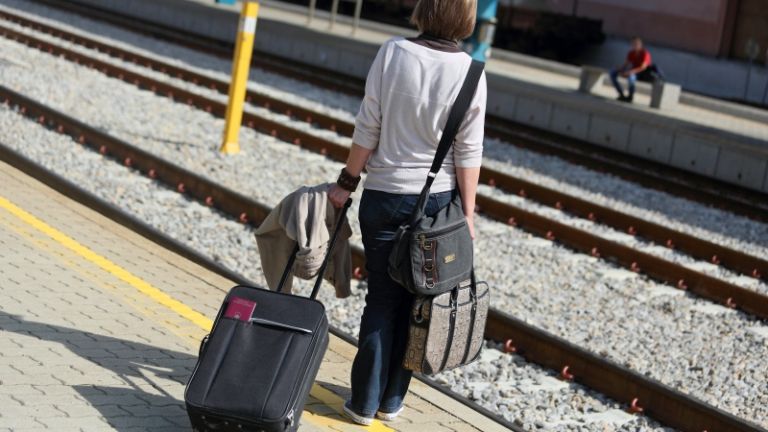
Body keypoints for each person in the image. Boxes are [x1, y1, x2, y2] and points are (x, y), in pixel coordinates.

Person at [327, 0, 487, 425]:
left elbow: (368, 126)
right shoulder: (472, 72)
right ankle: (391, 402)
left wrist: (346, 183)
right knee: (421, 302)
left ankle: (363, 402)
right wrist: (469, 215)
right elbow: (469, 152)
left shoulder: (393, 52)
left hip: (384, 196)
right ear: (467, 17)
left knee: (381, 298)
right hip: (438, 206)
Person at [610, 37, 652, 103]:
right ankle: (621, 94)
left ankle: (630, 97)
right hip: (632, 71)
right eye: (633, 44)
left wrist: (630, 72)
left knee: (631, 78)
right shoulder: (631, 53)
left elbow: (643, 68)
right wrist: (620, 69)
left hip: (642, 74)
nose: (635, 45)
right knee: (612, 72)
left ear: (640, 45)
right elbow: (625, 64)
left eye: (637, 44)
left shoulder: (645, 53)